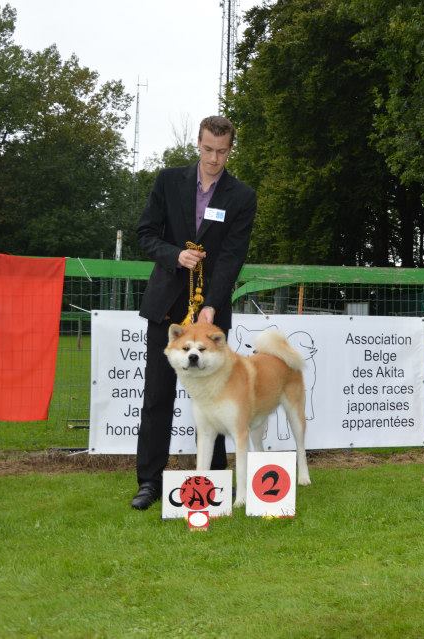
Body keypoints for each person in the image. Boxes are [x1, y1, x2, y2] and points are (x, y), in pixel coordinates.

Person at [130, 115, 257, 510]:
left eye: (221, 151)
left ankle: (216, 481)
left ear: (230, 149)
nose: (214, 158)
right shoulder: (168, 181)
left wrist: (212, 308)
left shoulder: (241, 196)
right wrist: (175, 255)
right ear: (197, 144)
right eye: (207, 150)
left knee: (217, 399)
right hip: (165, 310)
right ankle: (149, 482)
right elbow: (145, 235)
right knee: (157, 398)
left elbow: (232, 256)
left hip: (209, 316)